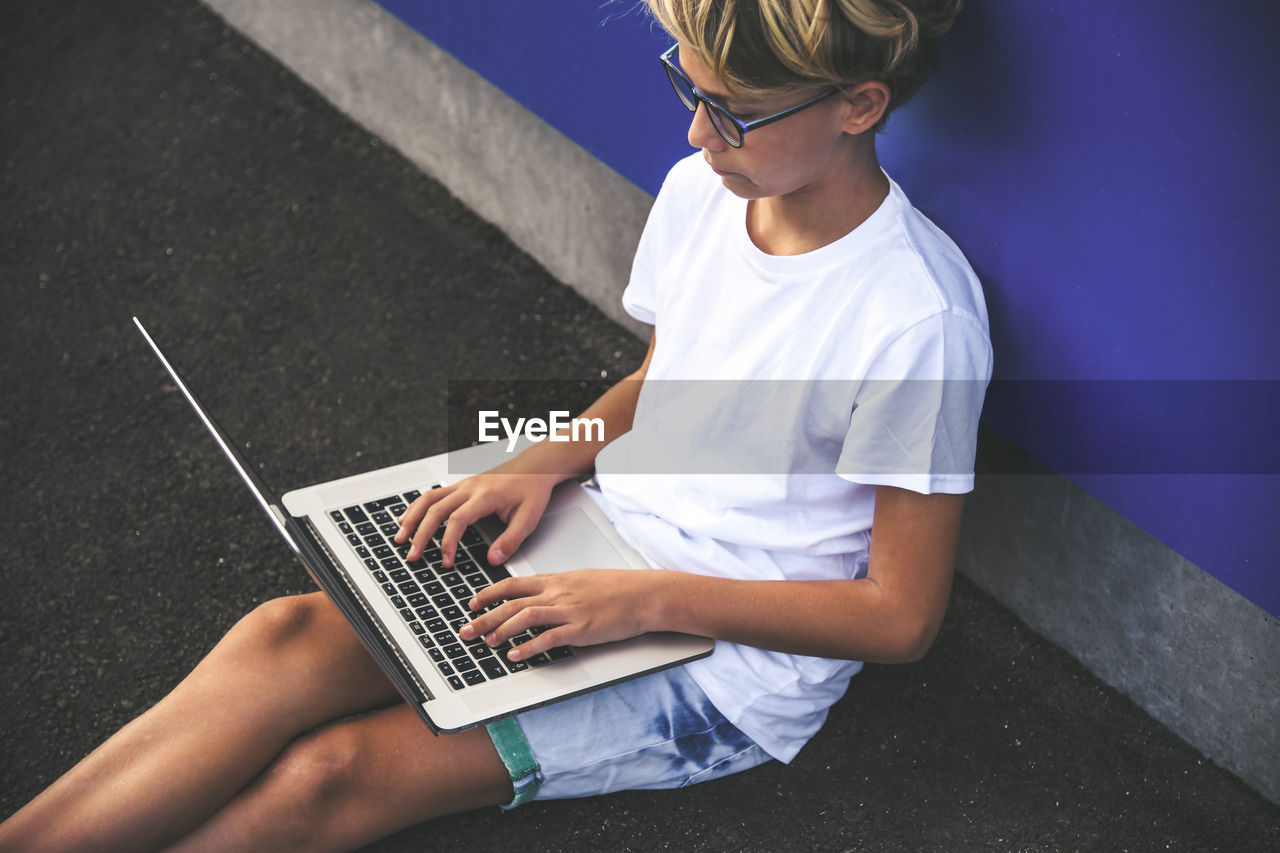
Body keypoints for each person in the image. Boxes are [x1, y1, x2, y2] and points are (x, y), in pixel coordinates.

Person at [0, 0, 989, 849]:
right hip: (604, 548)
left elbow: (897, 617)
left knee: (331, 775)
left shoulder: (914, 319)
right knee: (281, 637)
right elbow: (665, 377)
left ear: (860, 106)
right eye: (687, 92)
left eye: (734, 114)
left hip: (731, 665)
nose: (697, 138)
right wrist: (540, 464)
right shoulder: (707, 192)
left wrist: (640, 603)